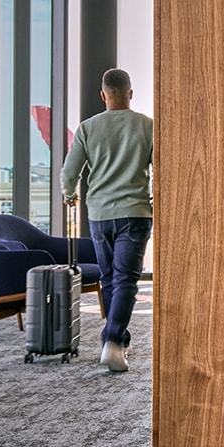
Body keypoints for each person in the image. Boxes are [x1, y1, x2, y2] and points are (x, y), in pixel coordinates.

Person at [61, 68, 153, 373]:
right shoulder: (148, 126)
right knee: (126, 278)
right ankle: (114, 340)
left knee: (111, 279)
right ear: (130, 94)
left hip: (100, 215)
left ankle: (117, 341)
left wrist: (68, 193)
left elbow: (69, 174)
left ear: (103, 95)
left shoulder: (87, 128)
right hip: (136, 213)